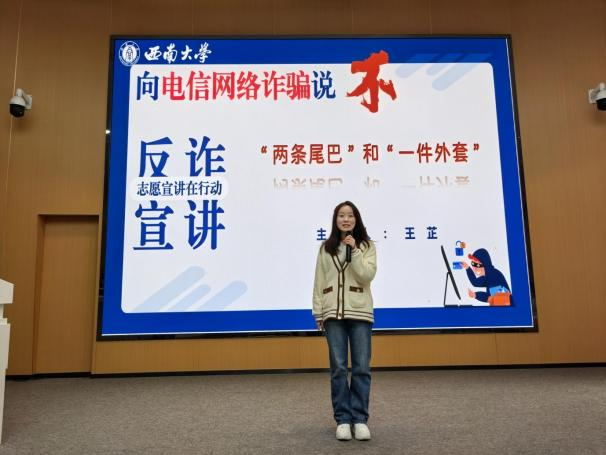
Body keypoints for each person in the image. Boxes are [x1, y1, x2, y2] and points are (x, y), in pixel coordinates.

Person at [312, 201, 377, 441]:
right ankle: (342, 419)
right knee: (338, 368)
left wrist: (355, 251)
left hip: (360, 312)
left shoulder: (366, 246)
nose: (346, 219)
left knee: (361, 368)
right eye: (341, 215)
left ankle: (359, 420)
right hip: (333, 314)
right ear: (335, 220)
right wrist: (318, 312)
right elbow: (319, 281)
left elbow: (366, 276)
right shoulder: (325, 248)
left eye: (350, 215)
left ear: (356, 220)